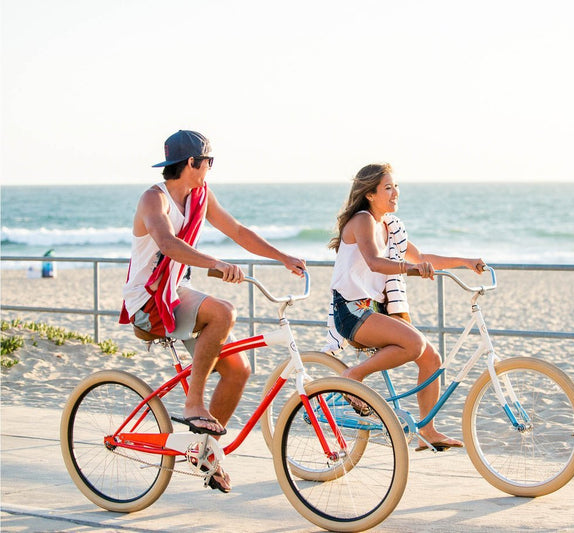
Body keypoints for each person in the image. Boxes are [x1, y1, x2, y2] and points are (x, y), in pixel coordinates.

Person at [119, 130, 305, 492]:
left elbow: (236, 230)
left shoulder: (199, 196)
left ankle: (205, 454)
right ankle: (194, 403)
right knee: (223, 311)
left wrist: (282, 257)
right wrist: (216, 263)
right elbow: (168, 244)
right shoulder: (152, 200)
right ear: (192, 163)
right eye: (209, 162)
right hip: (148, 301)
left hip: (175, 292)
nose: (210, 168)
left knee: (238, 370)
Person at [328, 163, 485, 452]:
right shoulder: (363, 220)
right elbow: (376, 261)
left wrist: (465, 261)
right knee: (414, 344)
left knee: (430, 358)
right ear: (370, 194)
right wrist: (411, 268)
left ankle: (427, 430)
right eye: (388, 187)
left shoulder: (387, 226)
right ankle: (353, 376)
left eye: (395, 186)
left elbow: (423, 256)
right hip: (351, 310)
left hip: (371, 310)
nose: (395, 192)